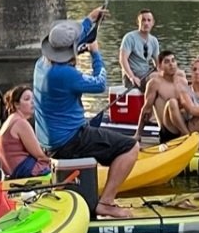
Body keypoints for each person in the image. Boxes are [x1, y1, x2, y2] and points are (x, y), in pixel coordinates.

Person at [32, 13, 138, 219]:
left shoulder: (41, 64)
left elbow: (72, 40)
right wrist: (96, 54)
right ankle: (106, 203)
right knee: (131, 147)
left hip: (48, 141)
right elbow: (100, 84)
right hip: (70, 140)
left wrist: (91, 19)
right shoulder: (64, 74)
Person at [0, 85, 50, 178]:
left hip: (10, 171)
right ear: (17, 104)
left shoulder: (9, 120)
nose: (32, 102)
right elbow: (40, 156)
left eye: (33, 99)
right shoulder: (21, 123)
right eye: (27, 99)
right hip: (23, 171)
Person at [135, 52, 192, 140]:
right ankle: (188, 136)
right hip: (168, 130)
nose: (171, 64)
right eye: (167, 62)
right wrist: (138, 134)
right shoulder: (155, 83)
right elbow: (147, 109)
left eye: (173, 61)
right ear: (160, 66)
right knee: (172, 102)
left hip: (184, 124)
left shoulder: (183, 81)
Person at [119, 10, 162, 89]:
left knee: (178, 74)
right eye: (143, 20)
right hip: (133, 78)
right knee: (155, 77)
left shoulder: (154, 40)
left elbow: (158, 63)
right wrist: (131, 77)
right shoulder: (129, 38)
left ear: (153, 23)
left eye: (149, 20)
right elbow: (123, 59)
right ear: (138, 22)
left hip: (146, 74)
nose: (146, 23)